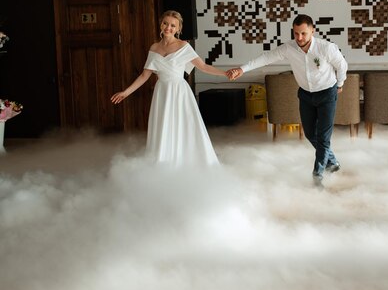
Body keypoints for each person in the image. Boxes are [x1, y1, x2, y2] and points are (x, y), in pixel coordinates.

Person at [227, 14, 348, 187]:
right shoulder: (289, 48)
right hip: (306, 95)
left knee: (323, 136)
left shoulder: (326, 48)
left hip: (327, 93)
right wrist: (242, 69)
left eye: (304, 33)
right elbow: (266, 58)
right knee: (309, 133)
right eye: (296, 33)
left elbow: (342, 65)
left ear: (313, 30)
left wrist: (340, 84)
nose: (299, 38)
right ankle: (332, 161)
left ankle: (318, 175)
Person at [111, 10, 228, 166]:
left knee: (183, 126)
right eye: (165, 23)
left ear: (178, 29)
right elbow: (144, 76)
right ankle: (163, 163)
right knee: (163, 128)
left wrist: (225, 73)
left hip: (179, 92)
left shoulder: (184, 46)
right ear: (160, 24)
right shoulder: (154, 48)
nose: (168, 27)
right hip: (162, 93)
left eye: (173, 25)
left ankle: (186, 161)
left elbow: (204, 67)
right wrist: (126, 92)